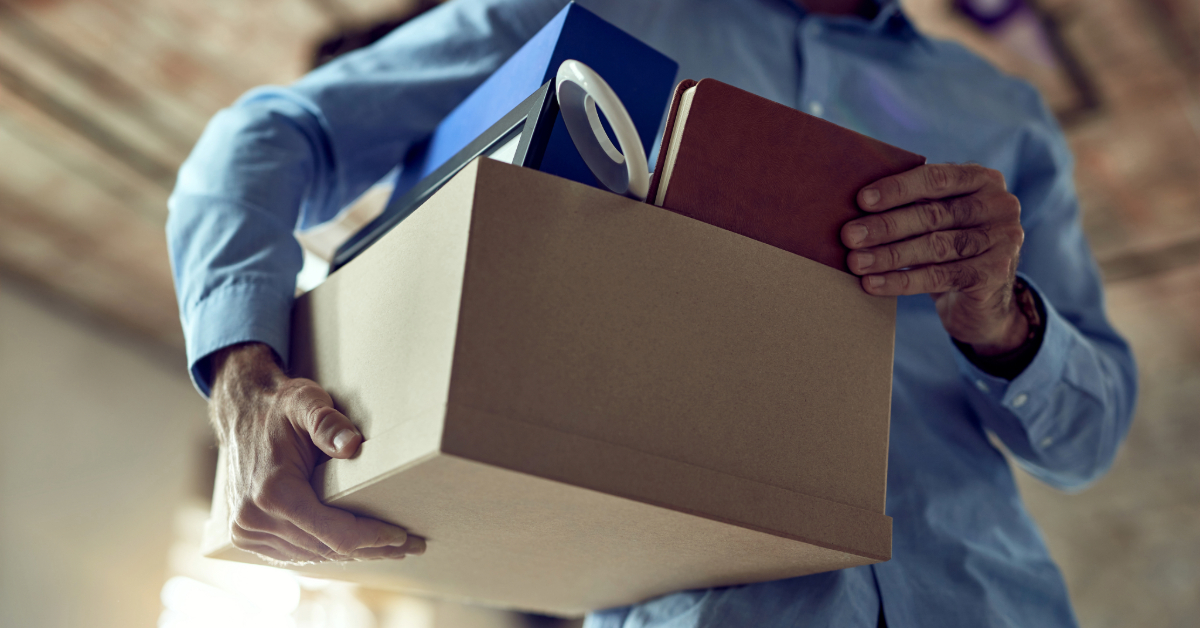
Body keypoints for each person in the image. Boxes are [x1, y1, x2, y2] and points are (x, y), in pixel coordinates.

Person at [166, 0, 1138, 626]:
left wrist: (1003, 320)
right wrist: (243, 376)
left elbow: (1089, 441)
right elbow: (263, 135)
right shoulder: (578, 8)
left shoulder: (1000, 110)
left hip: (991, 602)